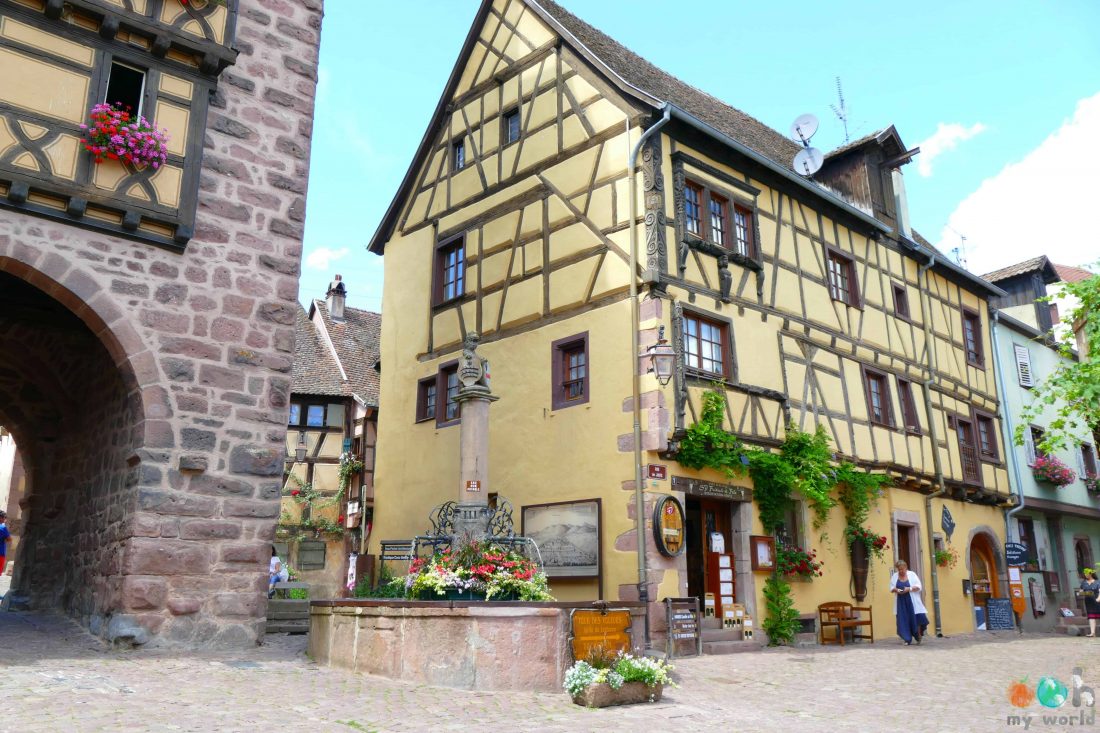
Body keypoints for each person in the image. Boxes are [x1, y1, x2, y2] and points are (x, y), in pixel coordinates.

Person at [889, 560, 928, 645]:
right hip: (900, 602)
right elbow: (891, 588)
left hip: (912, 601)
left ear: (906, 567)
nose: (900, 571)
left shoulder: (912, 574)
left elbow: (919, 586)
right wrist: (897, 590)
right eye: (899, 569)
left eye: (902, 569)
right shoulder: (895, 576)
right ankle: (907, 639)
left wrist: (908, 589)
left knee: (917, 618)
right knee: (903, 620)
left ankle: (918, 636)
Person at [1080, 568, 1100, 637]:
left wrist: (1099, 598)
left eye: (1087, 573)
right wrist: (1085, 593)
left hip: (1097, 600)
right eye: (1085, 573)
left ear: (1091, 574)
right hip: (1089, 602)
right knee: (1091, 617)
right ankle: (1093, 633)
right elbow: (1080, 592)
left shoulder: (1097, 582)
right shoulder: (1083, 582)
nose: (1085, 575)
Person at [0, 511, 10, 575]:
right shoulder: (3, 527)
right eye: (5, 517)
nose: (5, 519)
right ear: (1, 518)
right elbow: (9, 539)